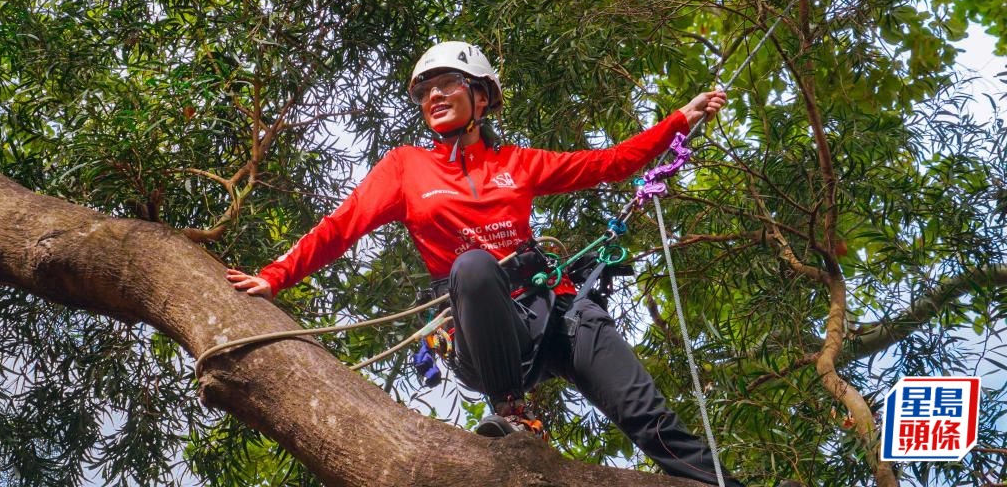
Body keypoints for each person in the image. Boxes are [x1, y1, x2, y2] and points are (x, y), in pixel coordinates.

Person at [227, 41, 741, 486]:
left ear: (481, 96)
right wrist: (275, 276)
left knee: (651, 420)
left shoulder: (516, 163)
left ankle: (720, 483)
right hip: (484, 330)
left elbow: (609, 164)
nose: (433, 95)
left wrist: (681, 120)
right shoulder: (406, 166)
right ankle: (512, 410)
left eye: (447, 83)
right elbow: (340, 226)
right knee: (472, 266)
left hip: (555, 311)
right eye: (424, 90)